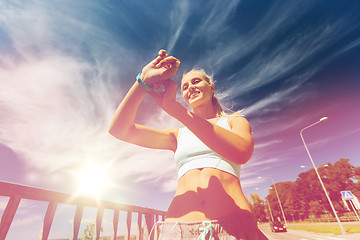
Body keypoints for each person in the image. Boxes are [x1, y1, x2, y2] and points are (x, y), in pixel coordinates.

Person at [109, 50, 267, 240]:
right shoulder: (178, 135)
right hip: (178, 230)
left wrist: (176, 110)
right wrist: (143, 81)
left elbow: (241, 153)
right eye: (184, 86)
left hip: (234, 228)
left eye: (196, 81)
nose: (190, 87)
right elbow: (119, 130)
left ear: (212, 87)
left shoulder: (234, 122)